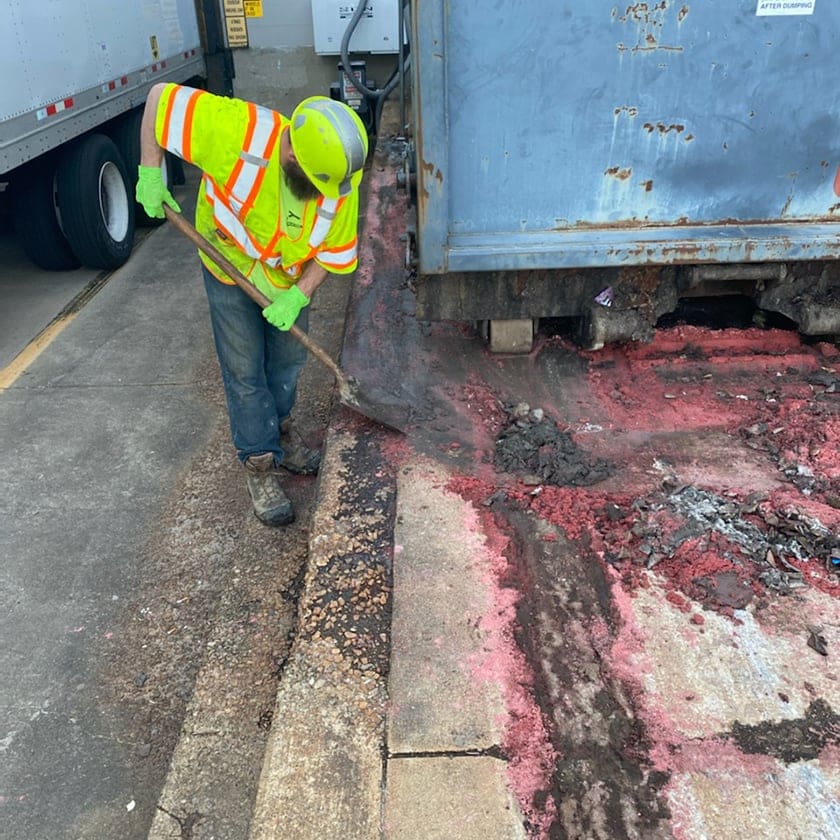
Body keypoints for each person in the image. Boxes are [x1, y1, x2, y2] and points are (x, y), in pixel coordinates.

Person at [136, 83, 368, 526]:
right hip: (228, 264)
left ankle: (280, 432)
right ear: (293, 155)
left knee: (287, 363)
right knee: (244, 369)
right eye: (318, 184)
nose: (328, 195)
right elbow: (160, 99)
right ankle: (259, 463)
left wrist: (299, 294)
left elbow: (333, 253)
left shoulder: (338, 177)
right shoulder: (238, 132)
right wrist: (151, 171)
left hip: (287, 281)